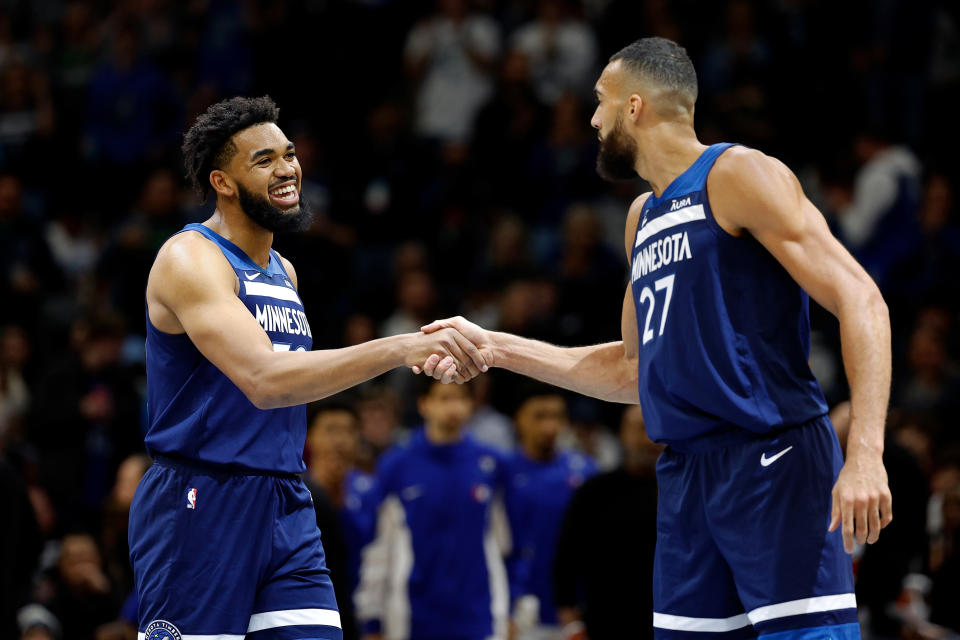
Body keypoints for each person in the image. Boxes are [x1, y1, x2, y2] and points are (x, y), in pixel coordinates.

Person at [418, 37, 893, 639]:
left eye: (600, 102)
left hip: (771, 458)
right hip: (687, 475)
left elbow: (862, 299)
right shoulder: (642, 217)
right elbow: (628, 369)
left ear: (634, 106)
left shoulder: (738, 173)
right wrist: (495, 348)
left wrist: (866, 453)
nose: (592, 119)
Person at [129, 96, 487, 640]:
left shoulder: (283, 271)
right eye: (265, 160)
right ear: (223, 182)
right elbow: (265, 380)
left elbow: (299, 377)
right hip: (202, 498)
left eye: (289, 154)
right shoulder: (190, 259)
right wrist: (398, 348)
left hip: (285, 497)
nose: (288, 168)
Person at [354, 378, 510, 640]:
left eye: (461, 398)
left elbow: (505, 542)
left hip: (479, 617)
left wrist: (512, 608)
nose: (454, 408)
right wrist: (372, 618)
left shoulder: (492, 464)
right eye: (444, 398)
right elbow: (378, 547)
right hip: (413, 617)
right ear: (424, 404)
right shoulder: (396, 466)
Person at [553, 405, 661, 640]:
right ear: (622, 434)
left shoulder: (688, 493)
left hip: (671, 623)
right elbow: (566, 561)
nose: (651, 438)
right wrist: (572, 626)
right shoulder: (594, 492)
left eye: (658, 427)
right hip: (605, 623)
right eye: (641, 428)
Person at [503, 381, 596, 638]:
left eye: (556, 416)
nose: (549, 427)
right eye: (539, 416)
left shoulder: (587, 472)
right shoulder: (502, 473)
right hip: (518, 612)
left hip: (573, 612)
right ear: (518, 419)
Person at [305, 402, 379, 640]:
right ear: (309, 436)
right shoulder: (294, 493)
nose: (340, 440)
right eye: (330, 430)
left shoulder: (372, 492)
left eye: (348, 431)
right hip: (308, 614)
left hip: (359, 615)